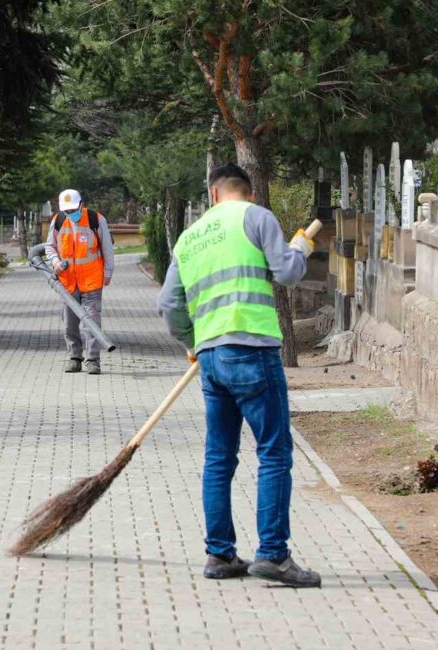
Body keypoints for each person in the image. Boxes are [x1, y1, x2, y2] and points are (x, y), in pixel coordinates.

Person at [156, 163, 321, 587]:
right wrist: (300, 248)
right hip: (253, 351)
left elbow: (169, 305)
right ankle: (273, 555)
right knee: (274, 452)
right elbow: (286, 272)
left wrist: (193, 341)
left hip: (211, 357)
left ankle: (220, 554)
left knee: (218, 458)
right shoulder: (257, 217)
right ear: (246, 193)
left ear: (212, 195)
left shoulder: (189, 238)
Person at [44, 189, 115, 375]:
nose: (70, 214)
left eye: (73, 210)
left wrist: (108, 272)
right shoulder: (58, 221)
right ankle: (74, 357)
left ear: (82, 204)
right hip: (67, 282)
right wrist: (56, 262)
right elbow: (49, 247)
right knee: (70, 322)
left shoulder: (96, 219)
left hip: (91, 280)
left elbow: (107, 248)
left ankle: (93, 360)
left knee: (91, 321)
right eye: (67, 211)